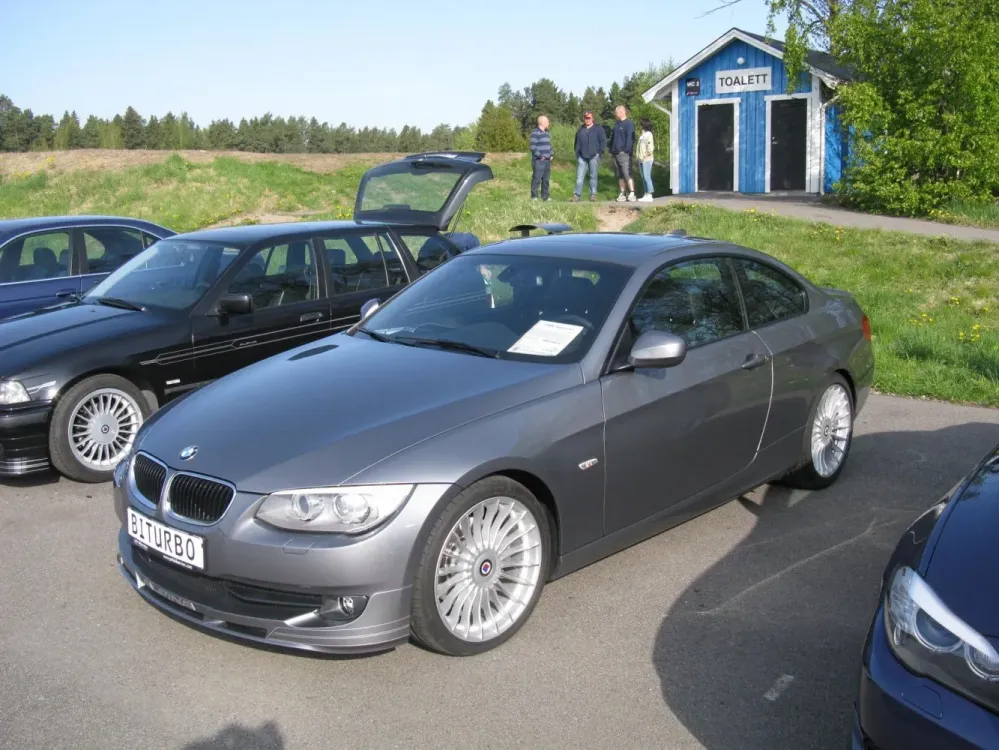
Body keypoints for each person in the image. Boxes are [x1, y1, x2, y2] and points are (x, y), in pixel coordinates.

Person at [572, 111, 606, 201]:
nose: (587, 120)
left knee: (593, 176)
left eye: (589, 118)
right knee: (579, 177)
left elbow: (603, 142)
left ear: (592, 119)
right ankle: (577, 195)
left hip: (594, 157)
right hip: (582, 157)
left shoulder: (598, 129)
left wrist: (599, 153)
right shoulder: (580, 129)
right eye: (586, 118)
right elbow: (576, 143)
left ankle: (593, 194)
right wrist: (577, 154)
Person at [610, 105, 636, 202]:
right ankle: (623, 193)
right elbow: (613, 138)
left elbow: (630, 138)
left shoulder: (629, 124)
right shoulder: (616, 125)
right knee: (619, 175)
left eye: (616, 112)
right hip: (615, 154)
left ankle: (632, 193)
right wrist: (611, 149)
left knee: (627, 173)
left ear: (622, 112)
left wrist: (626, 150)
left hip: (624, 154)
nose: (615, 114)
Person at [529, 115, 552, 201]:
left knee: (546, 180)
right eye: (547, 121)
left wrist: (551, 154)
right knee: (537, 178)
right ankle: (534, 196)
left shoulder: (547, 133)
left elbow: (549, 146)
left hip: (547, 160)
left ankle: (545, 197)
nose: (549, 123)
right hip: (539, 161)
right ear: (542, 122)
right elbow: (533, 147)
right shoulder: (535, 133)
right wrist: (540, 156)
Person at [636, 118, 655, 202]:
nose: (640, 126)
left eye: (641, 124)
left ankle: (650, 194)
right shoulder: (642, 135)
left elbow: (650, 147)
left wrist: (645, 155)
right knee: (643, 177)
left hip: (647, 159)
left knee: (647, 176)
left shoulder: (649, 134)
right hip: (640, 159)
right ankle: (646, 193)